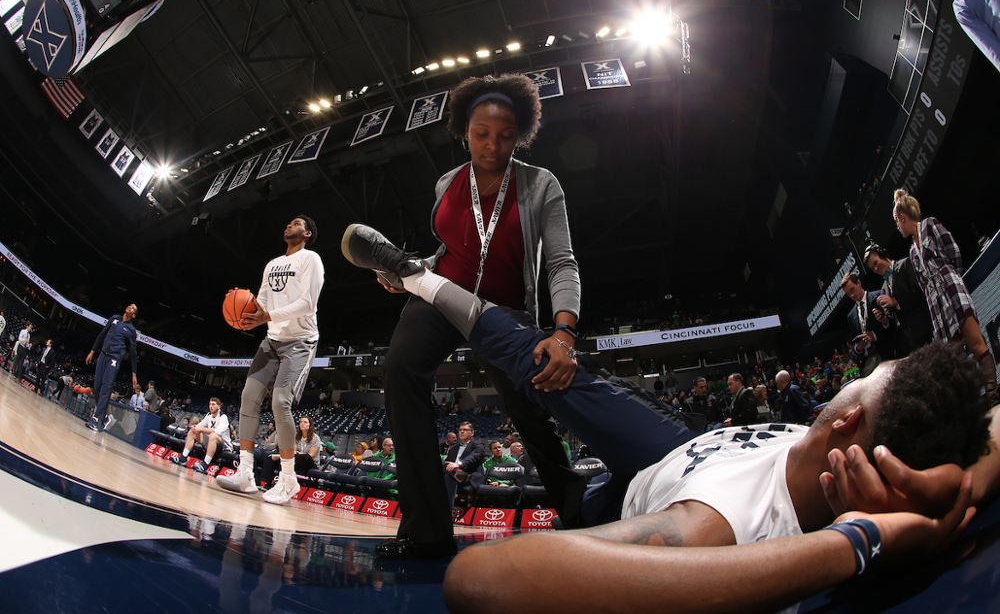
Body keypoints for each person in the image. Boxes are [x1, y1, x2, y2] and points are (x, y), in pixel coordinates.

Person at [340, 224, 997, 540]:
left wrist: (861, 546)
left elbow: (494, 583)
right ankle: (423, 277)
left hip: (653, 484)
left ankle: (415, 274)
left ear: (852, 420)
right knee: (547, 358)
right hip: (690, 440)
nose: (852, 380)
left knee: (539, 363)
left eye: (867, 379)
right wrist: (970, 479)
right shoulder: (827, 438)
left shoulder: (720, 527)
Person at [350, 73, 585, 560]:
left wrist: (564, 330)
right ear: (464, 130)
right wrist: (408, 276)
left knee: (531, 413)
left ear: (520, 133)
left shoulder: (542, 185)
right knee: (400, 369)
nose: (492, 145)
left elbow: (562, 261)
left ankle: (581, 515)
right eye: (481, 133)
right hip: (443, 296)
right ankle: (427, 530)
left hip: (506, 312)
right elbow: (451, 249)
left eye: (504, 135)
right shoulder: (445, 184)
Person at [215, 216, 325, 505]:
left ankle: (289, 480)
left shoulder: (310, 259)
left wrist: (267, 316)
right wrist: (244, 308)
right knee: (248, 396)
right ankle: (246, 474)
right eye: (288, 222)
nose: (289, 224)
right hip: (272, 340)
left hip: (300, 341)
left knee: (280, 402)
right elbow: (262, 301)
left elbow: (309, 303)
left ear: (307, 233)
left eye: (296, 223)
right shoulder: (272, 264)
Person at [893, 190, 998, 402]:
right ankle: (974, 403)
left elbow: (954, 253)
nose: (898, 227)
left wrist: (950, 281)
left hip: (952, 292)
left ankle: (993, 394)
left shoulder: (930, 225)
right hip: (937, 308)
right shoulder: (912, 252)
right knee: (955, 362)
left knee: (977, 345)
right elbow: (923, 286)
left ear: (902, 217)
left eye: (897, 222)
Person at [864, 243, 933, 358]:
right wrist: (884, 320)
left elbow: (919, 292)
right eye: (872, 268)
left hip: (922, 332)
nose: (876, 269)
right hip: (905, 345)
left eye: (875, 263)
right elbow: (892, 320)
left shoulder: (905, 265)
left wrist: (896, 301)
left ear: (882, 255)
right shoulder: (883, 288)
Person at [85, 307, 140, 432]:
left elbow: (133, 353)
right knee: (97, 386)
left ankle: (96, 419)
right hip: (103, 355)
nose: (130, 307)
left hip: (114, 360)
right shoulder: (114, 318)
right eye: (130, 305)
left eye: (133, 308)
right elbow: (102, 335)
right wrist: (92, 351)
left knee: (106, 387)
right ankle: (104, 418)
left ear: (133, 315)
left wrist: (134, 374)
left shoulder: (131, 330)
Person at [840, 273, 891, 376]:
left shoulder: (878, 296)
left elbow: (891, 324)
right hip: (868, 362)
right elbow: (855, 344)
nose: (852, 295)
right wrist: (858, 348)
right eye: (848, 294)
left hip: (885, 353)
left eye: (852, 290)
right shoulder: (851, 316)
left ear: (859, 283)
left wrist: (874, 335)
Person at [169, 397, 231, 473]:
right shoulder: (209, 415)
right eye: (210, 404)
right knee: (193, 431)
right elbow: (199, 426)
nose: (211, 406)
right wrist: (194, 427)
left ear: (219, 407)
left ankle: (205, 465)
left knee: (213, 435)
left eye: (213, 404)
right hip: (211, 442)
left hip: (224, 446)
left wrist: (200, 429)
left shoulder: (223, 417)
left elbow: (217, 432)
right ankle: (183, 458)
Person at [443, 421, 487, 505]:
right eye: (460, 430)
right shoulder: (453, 448)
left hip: (469, 476)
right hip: (452, 475)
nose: (462, 432)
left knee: (448, 478)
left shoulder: (478, 445)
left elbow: (474, 457)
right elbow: (448, 464)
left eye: (465, 430)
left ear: (472, 433)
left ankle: (448, 509)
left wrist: (458, 464)